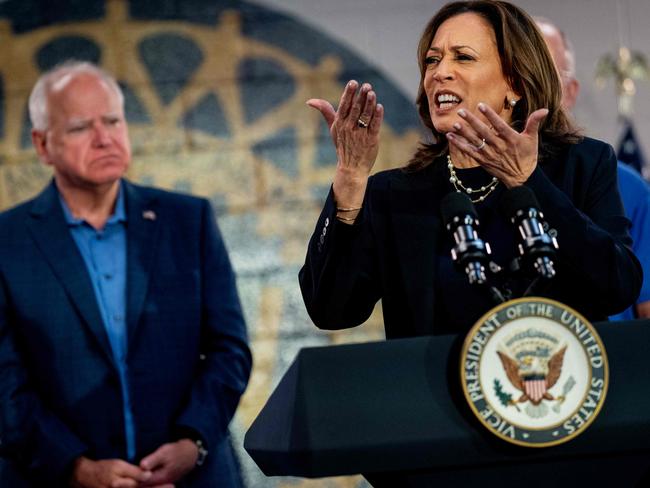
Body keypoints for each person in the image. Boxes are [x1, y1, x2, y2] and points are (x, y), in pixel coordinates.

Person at [299, 0, 642, 338]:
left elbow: (617, 286)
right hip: (429, 392)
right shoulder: (394, 194)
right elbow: (330, 310)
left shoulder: (582, 165)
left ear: (516, 84)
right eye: (432, 60)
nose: (439, 72)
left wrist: (529, 182)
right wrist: (350, 177)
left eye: (463, 57)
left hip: (556, 386)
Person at [0, 61, 252, 487]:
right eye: (81, 127)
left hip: (195, 475)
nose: (104, 138)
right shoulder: (8, 242)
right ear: (42, 145)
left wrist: (194, 443)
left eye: (113, 121)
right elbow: (5, 383)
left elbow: (230, 350)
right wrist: (77, 468)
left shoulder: (188, 221)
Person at [536, 17, 650, 320]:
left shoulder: (626, 183)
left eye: (545, 71)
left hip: (606, 357)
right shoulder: (479, 177)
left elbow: (646, 304)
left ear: (571, 91)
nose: (531, 84)